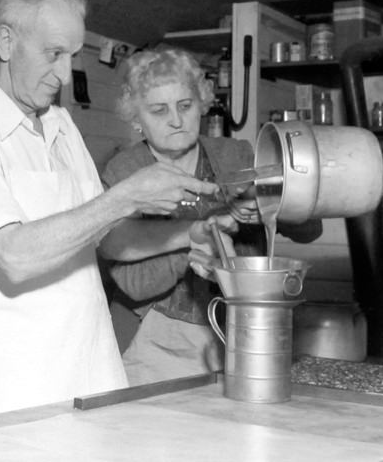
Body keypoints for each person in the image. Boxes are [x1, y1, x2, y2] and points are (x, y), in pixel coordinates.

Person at [0, 0, 223, 422]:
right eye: (54, 54)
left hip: (92, 363)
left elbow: (108, 238)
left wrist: (189, 233)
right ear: (6, 42)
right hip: (12, 378)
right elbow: (13, 255)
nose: (64, 74)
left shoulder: (61, 125)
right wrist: (125, 196)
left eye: (72, 56)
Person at [102, 47, 322, 386]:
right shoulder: (126, 172)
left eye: (185, 105)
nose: (176, 120)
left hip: (239, 331)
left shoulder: (238, 156)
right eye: (159, 110)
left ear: (202, 102)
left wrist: (271, 205)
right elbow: (135, 283)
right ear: (135, 119)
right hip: (154, 341)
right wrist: (197, 239)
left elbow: (310, 229)